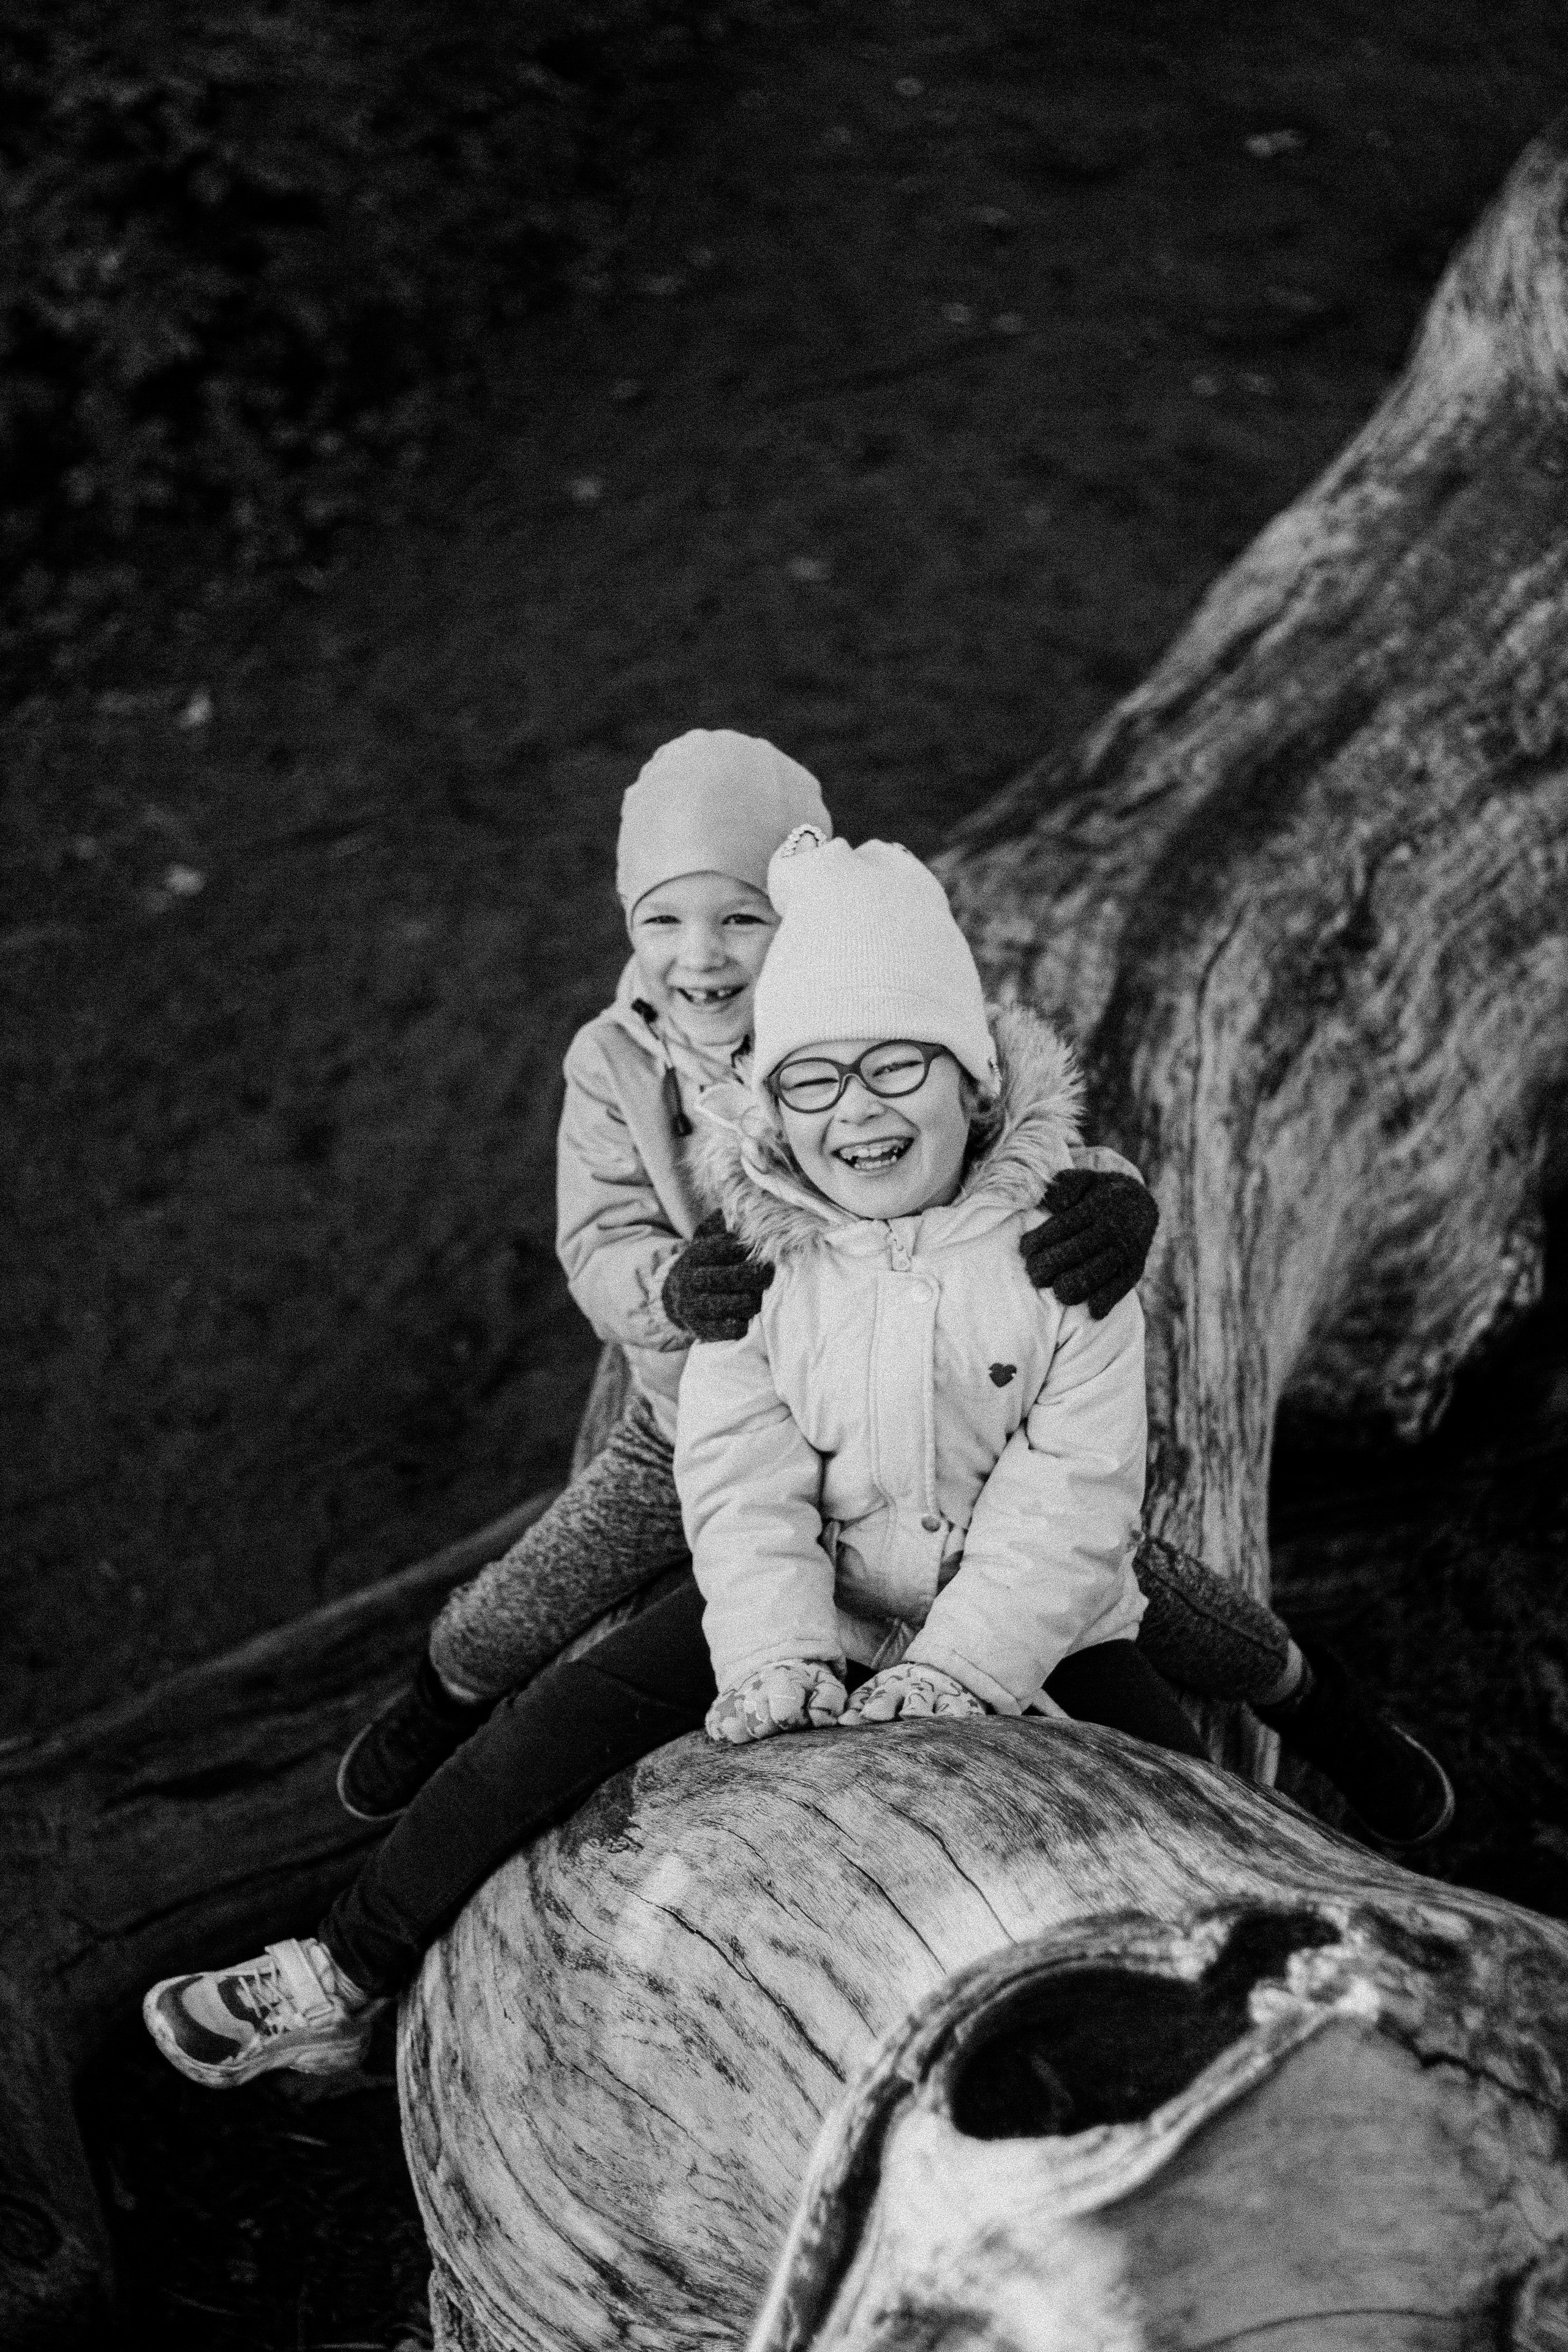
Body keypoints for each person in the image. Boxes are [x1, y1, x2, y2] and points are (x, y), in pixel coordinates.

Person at [140, 834, 1447, 2092]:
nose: (856, 1111)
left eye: (897, 1068)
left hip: (1031, 1614)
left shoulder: (1063, 1255)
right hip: (815, 1587)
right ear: (768, 1106)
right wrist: (770, 1650)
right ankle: (342, 1969)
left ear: (975, 1083)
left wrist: (957, 1669)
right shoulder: (750, 1264)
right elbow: (736, 1474)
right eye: (813, 1080)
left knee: (1189, 1805)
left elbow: (1070, 1500)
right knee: (538, 1739)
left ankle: (1338, 1997)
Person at [331, 730, 1164, 1825]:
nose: (701, 958)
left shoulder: (868, 1003)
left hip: (916, 1406)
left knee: (1140, 1581)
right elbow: (597, 1241)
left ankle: (1305, 1694)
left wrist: (1116, 1191)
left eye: (740, 918)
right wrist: (675, 1288)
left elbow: (1012, 1111)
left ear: (799, 915)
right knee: (534, 1595)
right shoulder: (615, 1059)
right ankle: (444, 1691)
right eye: (661, 921)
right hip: (699, 1404)